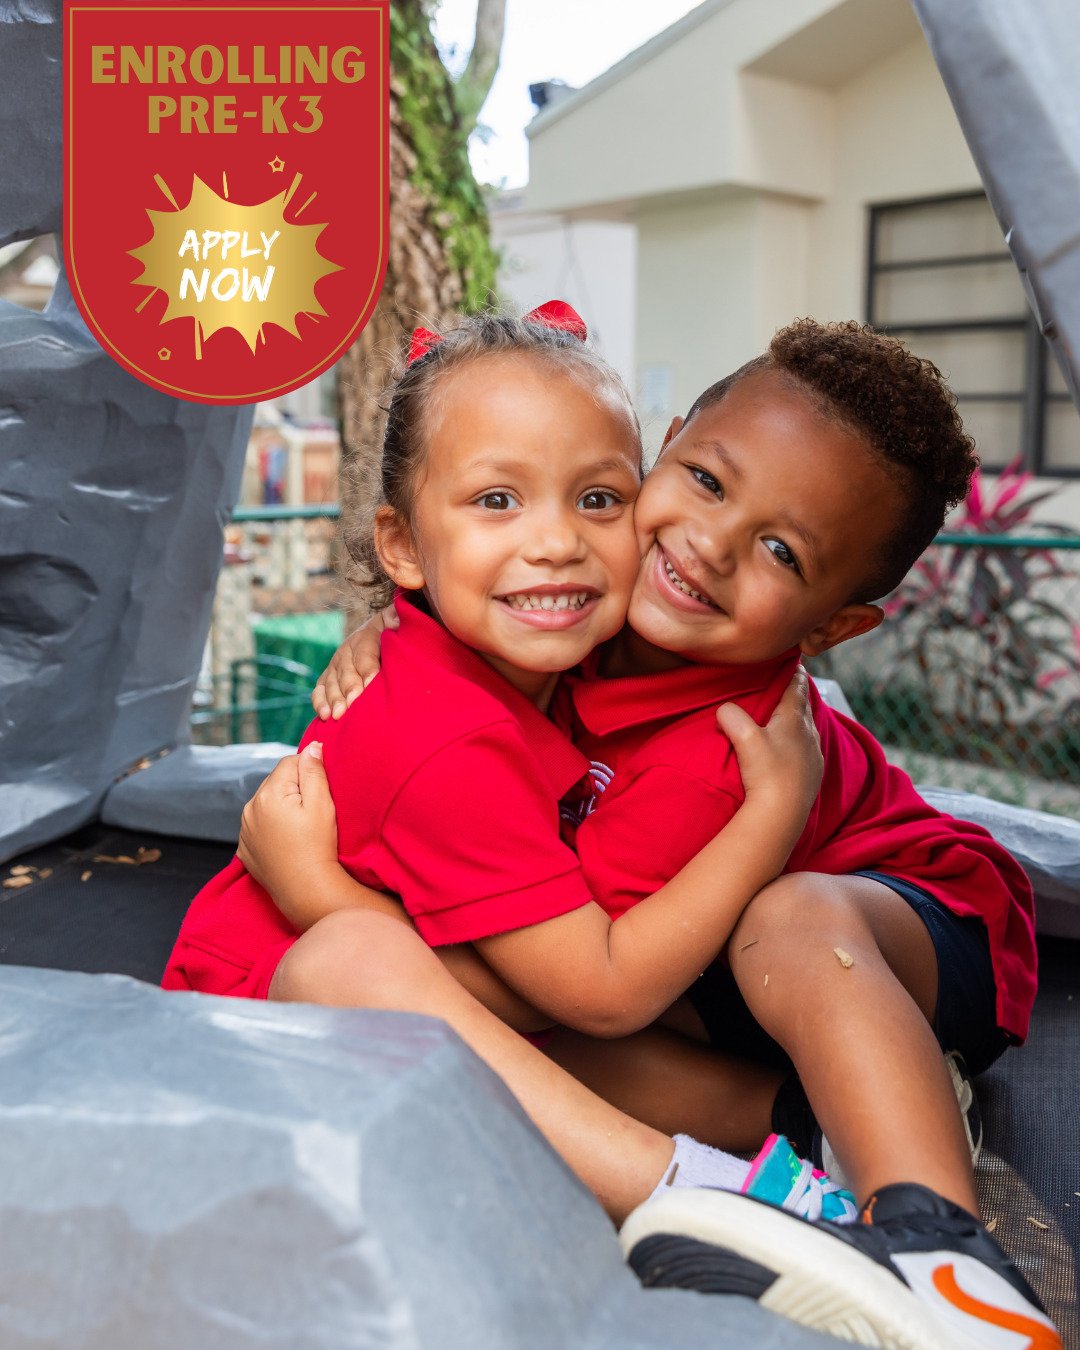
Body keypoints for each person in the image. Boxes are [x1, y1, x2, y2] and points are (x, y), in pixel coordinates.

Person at [287, 317, 1056, 1348]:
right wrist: (389, 630)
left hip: (902, 928)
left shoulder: (733, 752)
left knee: (787, 919)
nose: (711, 544)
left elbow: (587, 980)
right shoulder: (590, 613)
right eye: (704, 481)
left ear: (832, 628)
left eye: (781, 551)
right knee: (531, 1043)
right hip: (700, 964)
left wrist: (324, 899)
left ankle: (937, 1247)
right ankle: (798, 1139)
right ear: (668, 444)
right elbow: (478, 605)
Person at [162, 302, 851, 1229]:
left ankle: (787, 1121)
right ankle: (697, 1195)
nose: (558, 540)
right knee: (376, 961)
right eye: (497, 500)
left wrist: (384, 620)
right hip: (260, 1057)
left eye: (598, 499)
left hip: (411, 1017)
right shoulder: (449, 742)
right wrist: (776, 808)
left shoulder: (534, 660)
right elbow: (604, 991)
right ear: (402, 546)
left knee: (534, 1013)